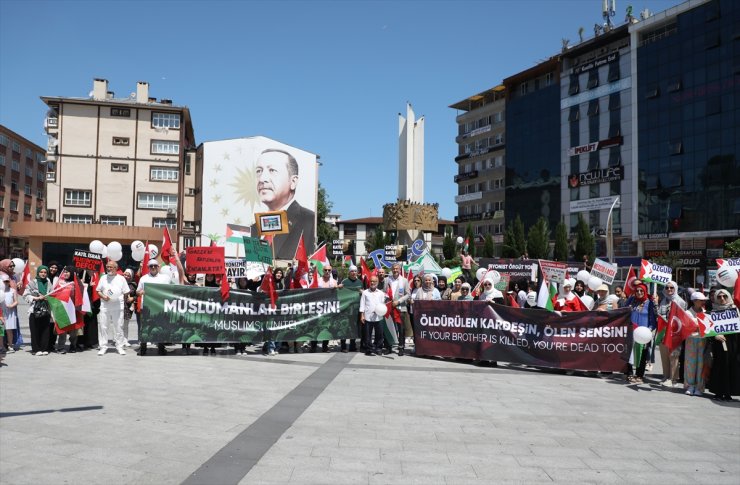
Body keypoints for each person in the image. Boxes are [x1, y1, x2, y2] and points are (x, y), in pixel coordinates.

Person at [251, 149, 315, 259]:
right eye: (259, 171)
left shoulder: (308, 220)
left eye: (272, 170)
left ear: (293, 182)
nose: (262, 179)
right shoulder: (254, 228)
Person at [136, 259, 174, 355]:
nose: (153, 267)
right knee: (145, 328)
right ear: (148, 267)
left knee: (161, 327)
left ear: (158, 267)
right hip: (147, 308)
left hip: (160, 307)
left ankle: (161, 347)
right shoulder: (143, 278)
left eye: (155, 266)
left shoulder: (165, 278)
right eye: (151, 266)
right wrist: (140, 293)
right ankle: (143, 348)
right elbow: (137, 291)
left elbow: (172, 289)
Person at [707, 289, 739, 401]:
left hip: (733, 344)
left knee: (731, 366)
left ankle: (728, 392)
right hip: (718, 344)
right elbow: (708, 329)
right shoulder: (712, 312)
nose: (722, 299)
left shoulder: (735, 311)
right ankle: (718, 392)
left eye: (724, 296)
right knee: (719, 366)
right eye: (719, 297)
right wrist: (715, 336)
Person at [621, 282, 656, 383]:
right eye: (637, 291)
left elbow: (653, 320)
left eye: (641, 291)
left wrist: (648, 330)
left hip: (643, 333)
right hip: (631, 331)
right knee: (629, 352)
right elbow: (624, 310)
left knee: (642, 353)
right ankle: (629, 373)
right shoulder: (632, 300)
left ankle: (639, 375)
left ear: (645, 292)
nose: (639, 292)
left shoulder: (649, 303)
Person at [96, 261, 130, 356]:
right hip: (105, 306)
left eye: (111, 267)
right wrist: (103, 296)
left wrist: (117, 296)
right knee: (103, 326)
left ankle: (119, 346)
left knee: (119, 326)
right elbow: (98, 290)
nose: (109, 269)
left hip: (118, 306)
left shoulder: (121, 278)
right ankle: (103, 347)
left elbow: (126, 291)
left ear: (116, 268)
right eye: (107, 267)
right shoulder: (103, 278)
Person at [656, 281, 686, 388]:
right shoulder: (663, 300)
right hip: (663, 332)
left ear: (675, 288)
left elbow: (682, 318)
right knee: (664, 355)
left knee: (673, 356)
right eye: (667, 288)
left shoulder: (680, 301)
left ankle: (673, 379)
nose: (669, 290)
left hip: (674, 333)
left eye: (671, 288)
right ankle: (666, 376)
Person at [24, 265, 52, 356]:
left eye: (45, 272)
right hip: (34, 310)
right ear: (38, 273)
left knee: (45, 330)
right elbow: (25, 295)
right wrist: (36, 298)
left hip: (46, 310)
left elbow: (53, 293)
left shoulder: (49, 282)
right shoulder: (32, 283)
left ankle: (44, 348)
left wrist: (49, 298)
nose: (43, 274)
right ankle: (36, 349)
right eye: (41, 272)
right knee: (35, 330)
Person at [684, 292, 709, 396]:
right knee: (690, 363)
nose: (703, 302)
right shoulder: (687, 313)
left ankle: (699, 386)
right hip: (691, 340)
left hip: (703, 340)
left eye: (704, 300)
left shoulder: (706, 312)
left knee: (701, 363)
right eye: (700, 300)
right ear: (694, 301)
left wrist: (697, 325)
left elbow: (706, 326)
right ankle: (690, 385)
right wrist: (699, 325)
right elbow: (689, 326)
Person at [385, 263, 411, 356]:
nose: (395, 270)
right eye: (393, 269)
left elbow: (408, 294)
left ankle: (401, 347)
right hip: (389, 308)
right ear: (391, 269)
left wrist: (399, 301)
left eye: (397, 268)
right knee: (389, 328)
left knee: (401, 329)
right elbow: (384, 292)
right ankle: (388, 347)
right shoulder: (387, 280)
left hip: (400, 308)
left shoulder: (404, 281)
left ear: (399, 270)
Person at [360, 276, 386, 356]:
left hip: (378, 317)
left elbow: (383, 304)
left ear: (377, 283)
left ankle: (378, 348)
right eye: (371, 281)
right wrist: (362, 315)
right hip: (368, 317)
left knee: (379, 334)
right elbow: (362, 304)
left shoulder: (381, 293)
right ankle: (368, 349)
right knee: (367, 335)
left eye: (374, 281)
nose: (372, 283)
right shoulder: (365, 292)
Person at [339, 265, 362, 353]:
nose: (353, 273)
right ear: (349, 272)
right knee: (344, 328)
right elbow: (340, 294)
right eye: (352, 271)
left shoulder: (360, 282)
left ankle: (353, 345)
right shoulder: (344, 281)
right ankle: (343, 346)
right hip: (346, 309)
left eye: (355, 271)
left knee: (354, 328)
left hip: (356, 309)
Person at [1, 274, 18, 353]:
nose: (6, 283)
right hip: (1, 312)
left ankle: (10, 345)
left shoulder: (12, 290)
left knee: (9, 330)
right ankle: (1, 346)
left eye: (7, 281)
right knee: (1, 330)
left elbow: (16, 301)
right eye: (4, 282)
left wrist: (11, 305)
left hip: (10, 312)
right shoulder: (0, 291)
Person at [121, 269, 136, 348]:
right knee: (119, 324)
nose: (126, 276)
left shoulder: (133, 285)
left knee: (126, 325)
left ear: (131, 277)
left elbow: (137, 295)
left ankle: (125, 340)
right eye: (125, 274)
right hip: (119, 306)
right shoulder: (119, 283)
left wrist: (132, 299)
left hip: (127, 307)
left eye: (128, 275)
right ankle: (119, 340)